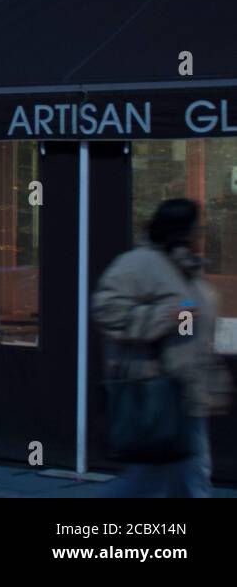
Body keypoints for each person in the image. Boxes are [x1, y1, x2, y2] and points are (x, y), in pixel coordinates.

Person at [92, 198, 232, 496]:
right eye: (197, 228)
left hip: (188, 394)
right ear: (180, 230)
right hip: (155, 392)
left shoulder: (187, 270)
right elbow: (106, 310)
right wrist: (163, 317)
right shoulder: (138, 264)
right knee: (152, 478)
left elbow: (191, 329)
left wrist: (214, 380)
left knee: (190, 474)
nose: (202, 235)